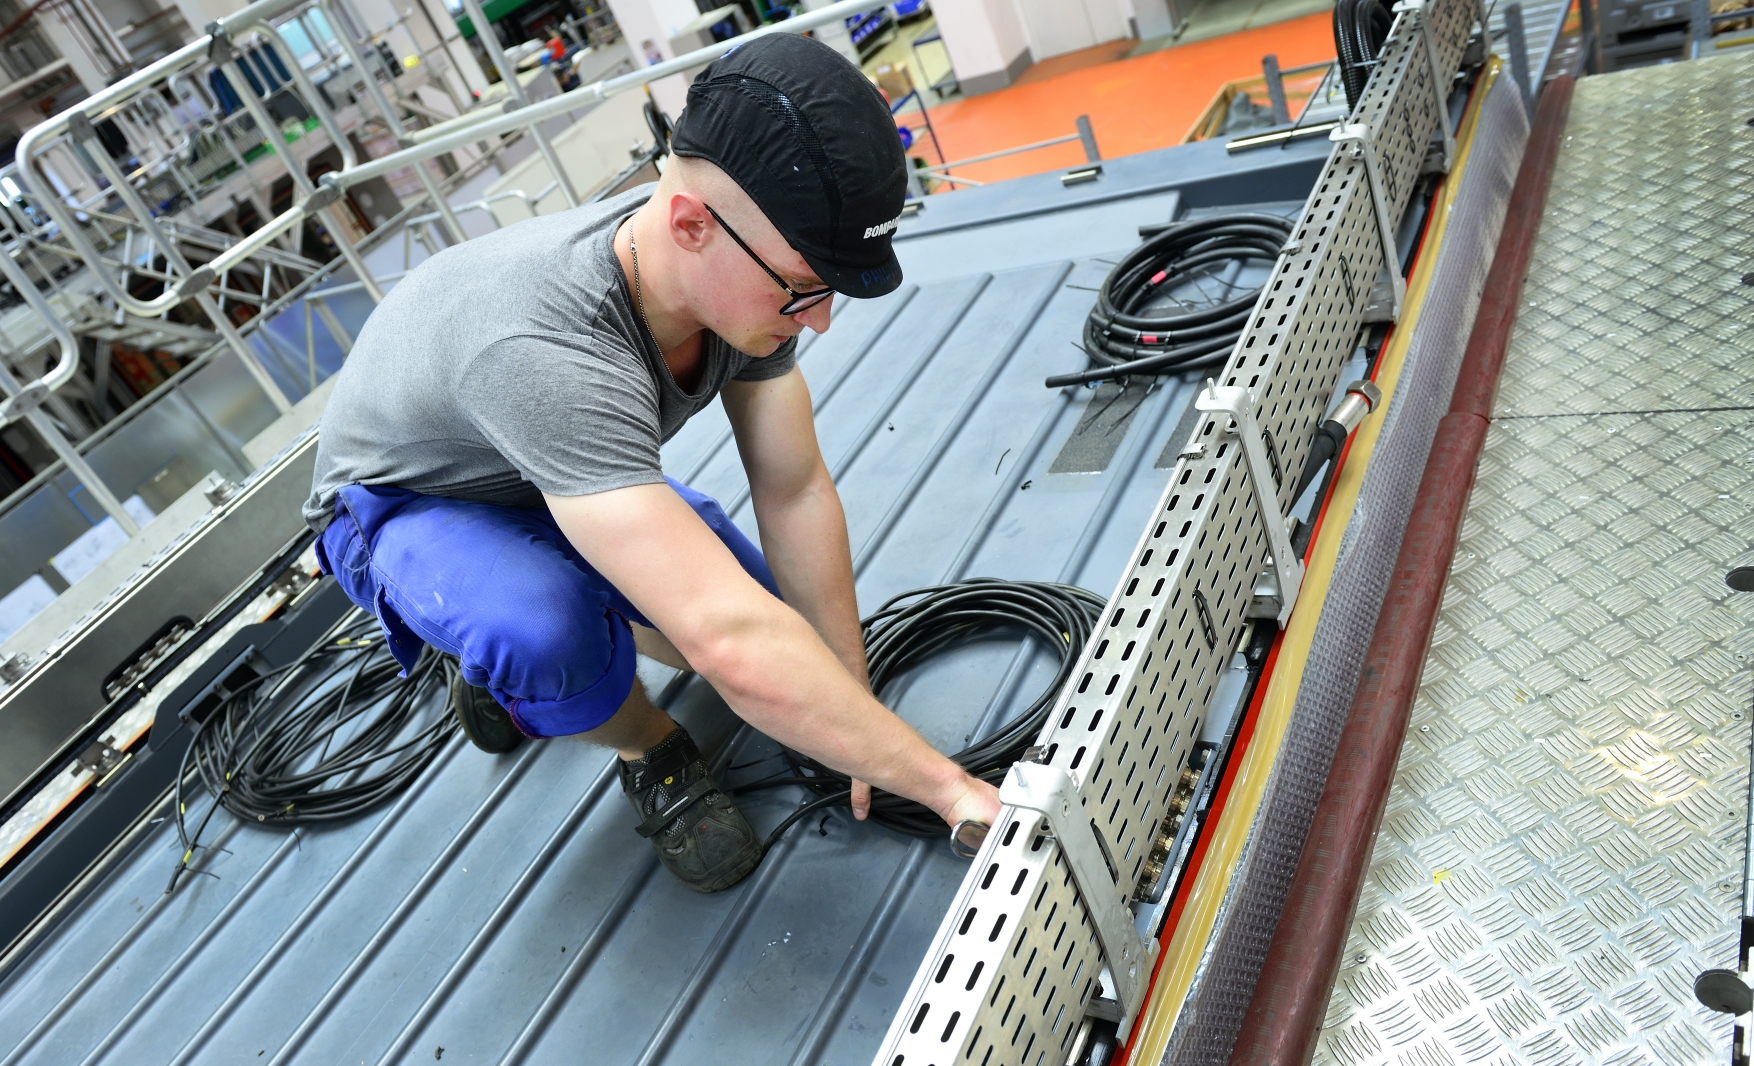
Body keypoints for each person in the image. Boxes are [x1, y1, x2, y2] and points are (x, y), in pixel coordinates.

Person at [302, 33, 1000, 894]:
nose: (816, 322)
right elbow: (727, 641)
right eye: (802, 288)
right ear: (690, 223)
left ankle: (534, 645)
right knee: (554, 634)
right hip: (405, 502)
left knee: (789, 637)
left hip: (536, 464)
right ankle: (643, 742)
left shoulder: (738, 291)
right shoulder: (547, 355)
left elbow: (794, 489)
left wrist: (849, 689)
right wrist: (951, 792)